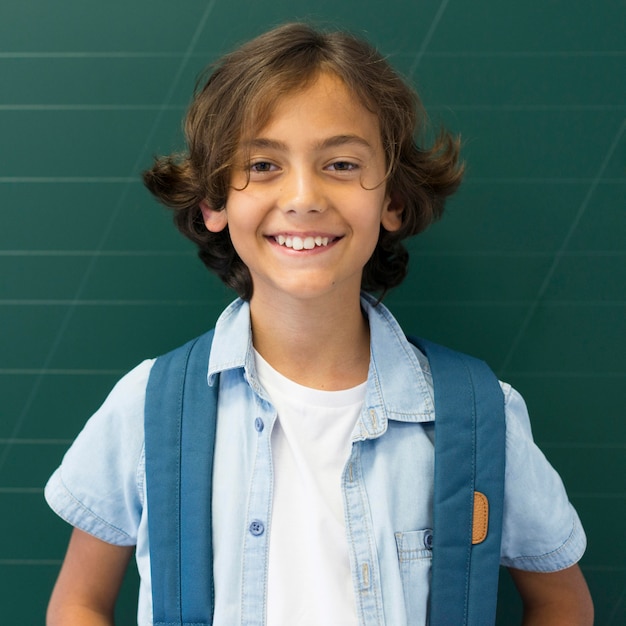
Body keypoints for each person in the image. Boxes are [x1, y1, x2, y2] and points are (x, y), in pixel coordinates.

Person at [45, 22, 593, 626]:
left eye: (339, 163)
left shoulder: (477, 415)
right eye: (261, 164)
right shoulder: (148, 408)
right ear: (213, 203)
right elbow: (80, 602)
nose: (303, 196)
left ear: (393, 200)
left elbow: (560, 603)